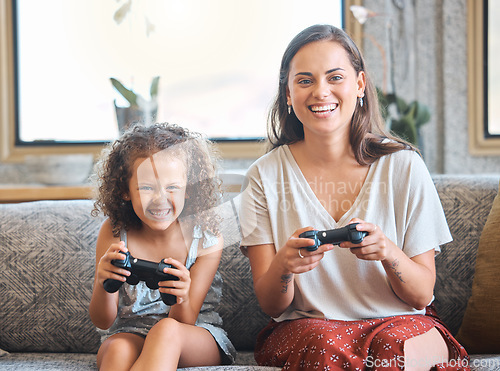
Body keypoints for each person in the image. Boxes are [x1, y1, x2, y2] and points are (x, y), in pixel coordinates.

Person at [239, 24, 469, 370]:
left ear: (359, 85)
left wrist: (388, 253)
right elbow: (273, 305)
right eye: (304, 81)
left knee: (398, 347)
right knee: (324, 344)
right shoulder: (262, 177)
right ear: (287, 94)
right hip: (309, 326)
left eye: (335, 77)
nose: (321, 92)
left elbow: (421, 294)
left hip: (400, 320)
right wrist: (285, 266)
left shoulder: (404, 166)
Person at [89, 123, 235, 370]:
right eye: (147, 188)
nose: (160, 199)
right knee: (116, 349)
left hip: (192, 333)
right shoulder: (115, 231)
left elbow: (185, 319)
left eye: (172, 187)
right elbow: (103, 321)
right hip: (131, 331)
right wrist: (103, 284)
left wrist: (182, 294)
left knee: (165, 331)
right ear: (125, 190)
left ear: (189, 189)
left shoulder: (207, 238)